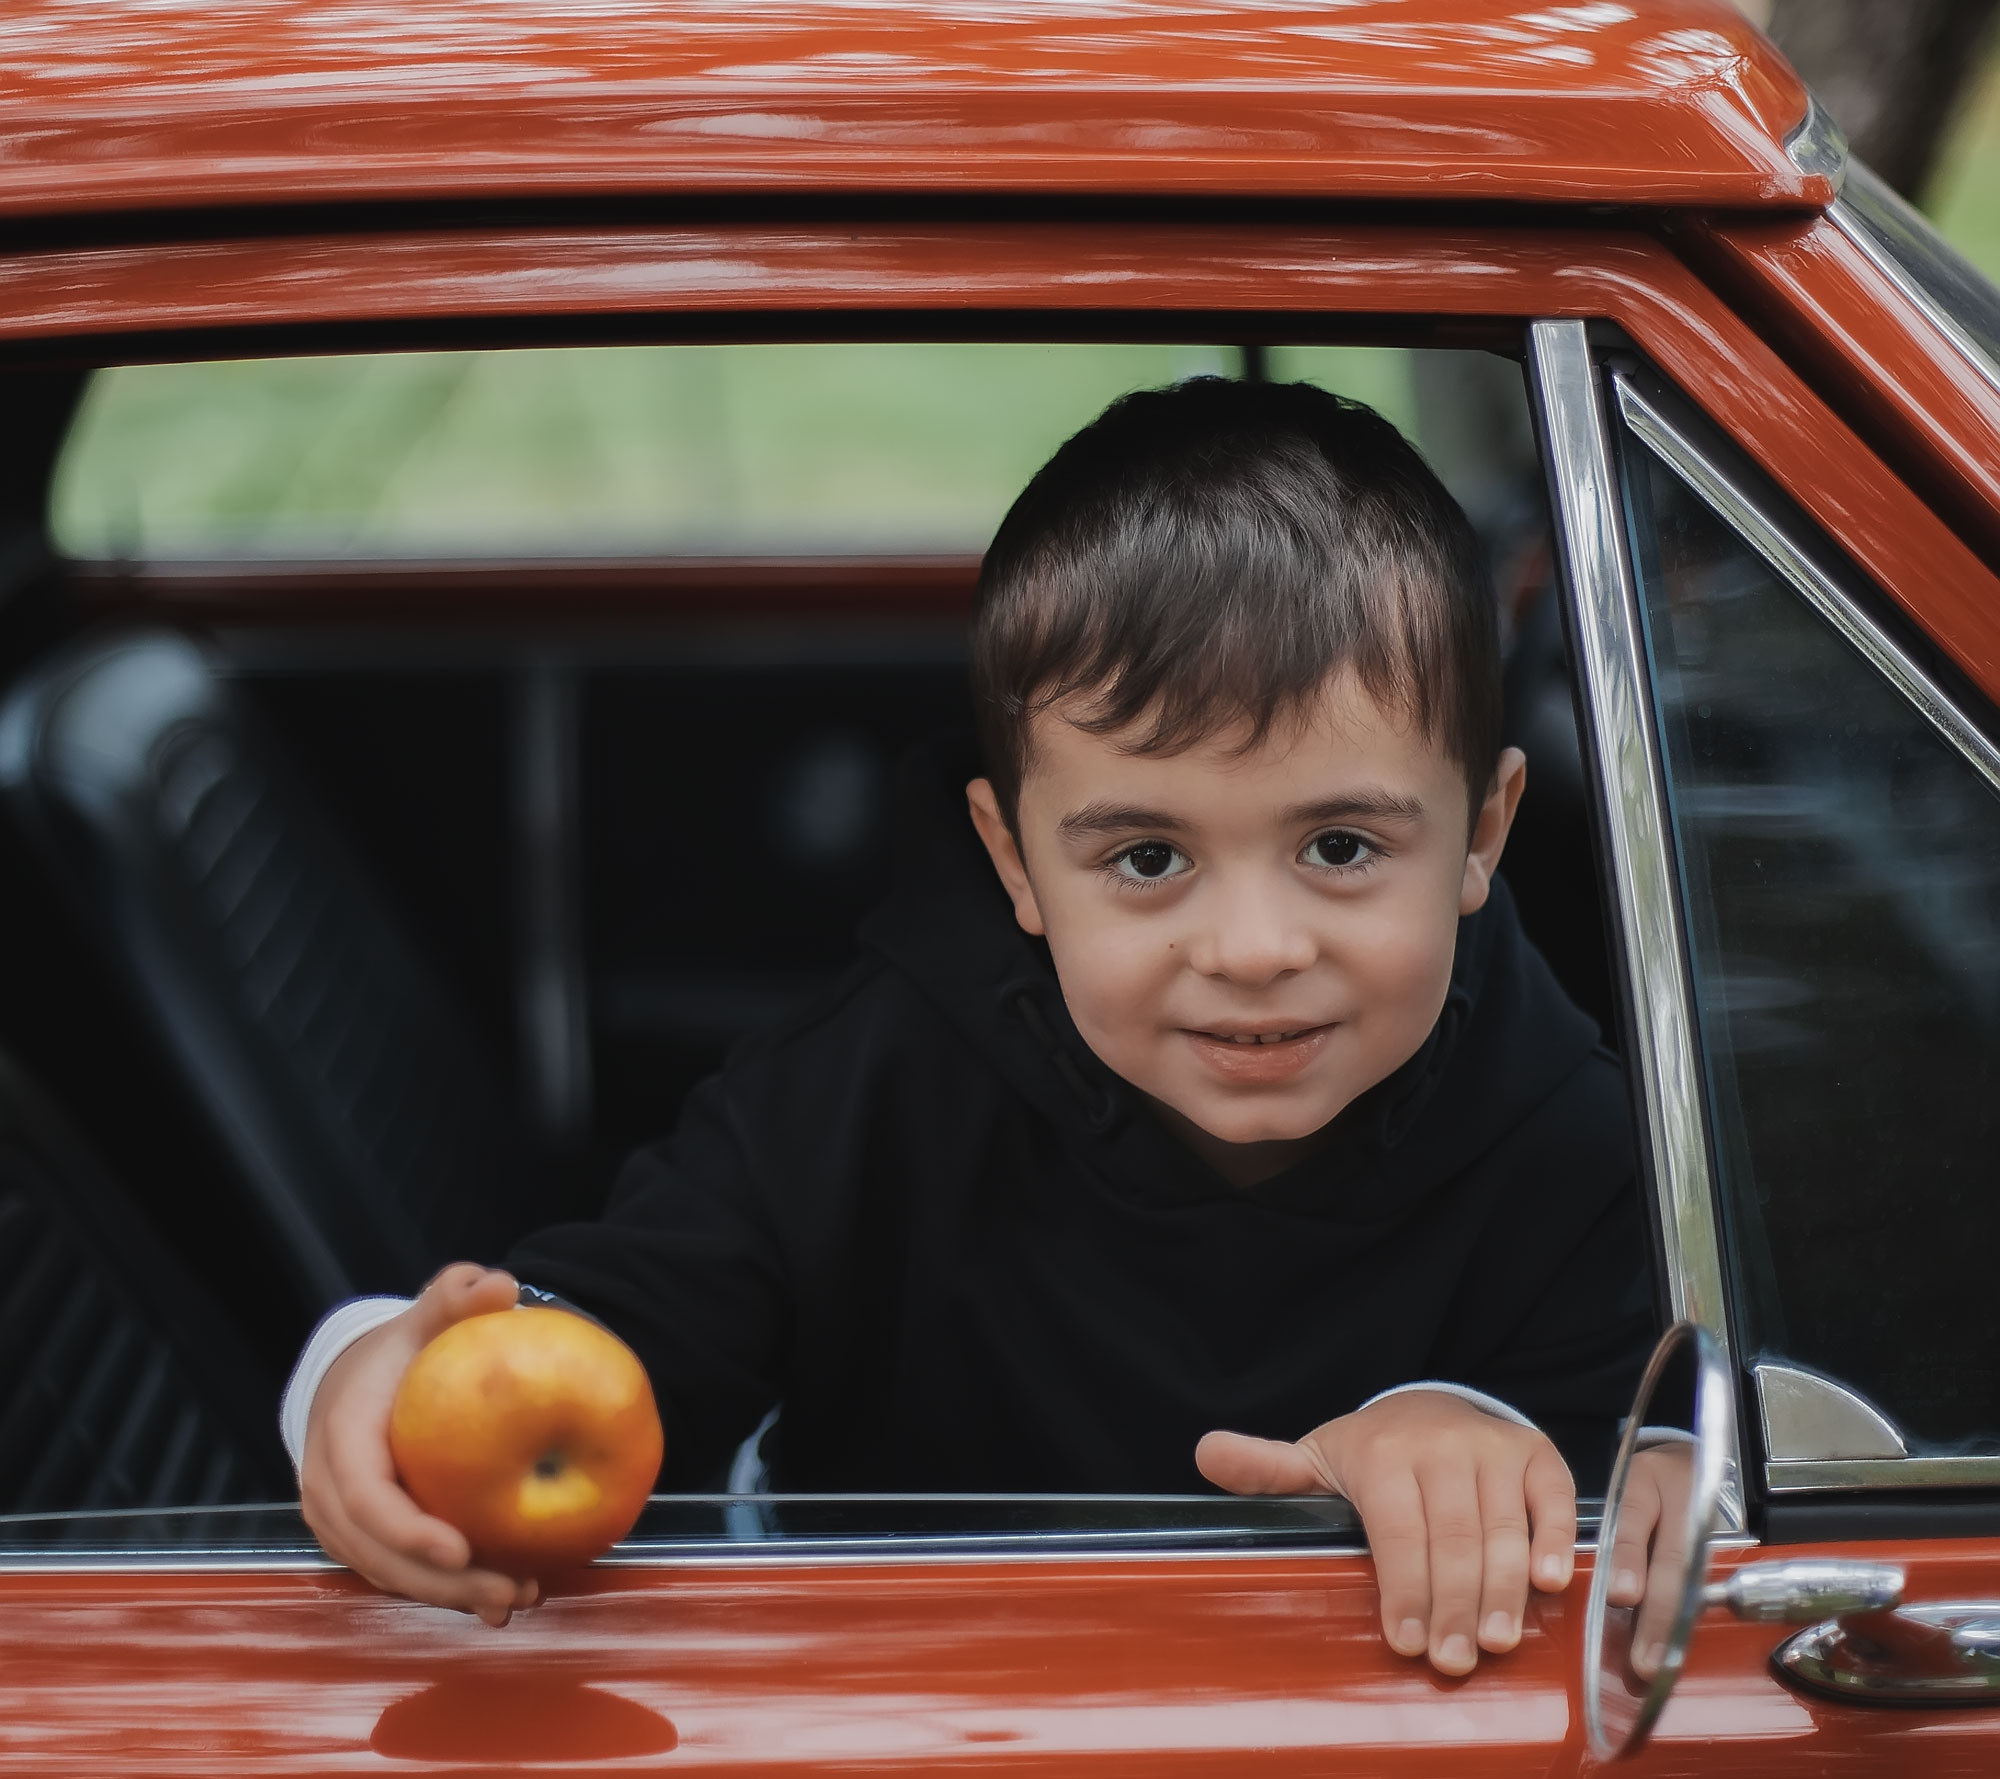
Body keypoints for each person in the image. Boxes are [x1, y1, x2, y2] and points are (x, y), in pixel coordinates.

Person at [287, 378, 1651, 1676]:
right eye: (1148, 859)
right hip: (885, 1731)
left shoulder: (1587, 1151)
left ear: (1482, 835)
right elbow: (606, 1340)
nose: (1253, 951)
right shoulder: (874, 1082)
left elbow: (1683, 1483)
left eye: (1341, 847)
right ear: (1015, 864)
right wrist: (378, 1382)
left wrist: (1489, 1438)